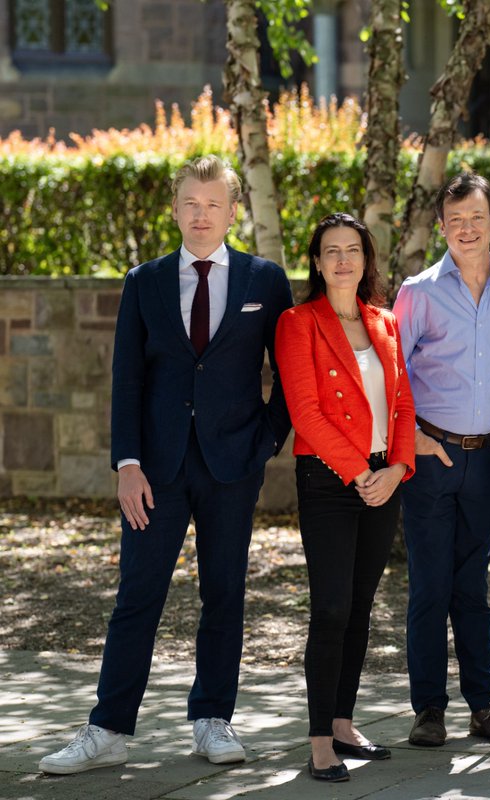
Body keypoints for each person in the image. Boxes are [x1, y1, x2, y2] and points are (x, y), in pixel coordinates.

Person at [38, 155, 293, 775]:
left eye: (213, 205)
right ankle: (108, 729)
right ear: (175, 209)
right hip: (155, 470)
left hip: (233, 466)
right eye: (190, 203)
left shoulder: (265, 281)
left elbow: (288, 378)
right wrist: (127, 463)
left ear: (234, 211)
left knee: (224, 594)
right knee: (137, 595)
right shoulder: (144, 281)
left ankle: (212, 718)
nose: (201, 216)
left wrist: (261, 447)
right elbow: (127, 380)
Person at [392, 173, 490, 748]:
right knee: (429, 586)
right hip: (429, 458)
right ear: (442, 227)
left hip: (487, 460)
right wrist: (412, 444)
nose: (467, 230)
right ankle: (429, 708)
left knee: (472, 589)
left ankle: (485, 707)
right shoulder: (418, 292)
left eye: (476, 218)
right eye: (455, 221)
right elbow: (394, 379)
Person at [275, 213, 416, 781]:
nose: (341, 260)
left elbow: (404, 405)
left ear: (365, 259)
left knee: (360, 606)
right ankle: (318, 741)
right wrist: (362, 473)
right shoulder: (297, 322)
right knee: (330, 608)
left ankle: (342, 720)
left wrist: (399, 467)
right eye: (330, 251)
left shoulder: (384, 321)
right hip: (331, 482)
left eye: (352, 250)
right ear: (316, 261)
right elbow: (305, 412)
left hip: (385, 479)